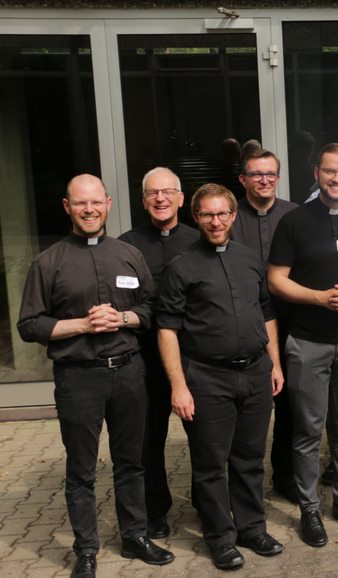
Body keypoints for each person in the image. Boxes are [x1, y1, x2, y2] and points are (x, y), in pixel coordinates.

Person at [18, 174, 173, 578]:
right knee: (82, 470)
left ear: (107, 203)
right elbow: (30, 325)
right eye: (80, 203)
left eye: (95, 202)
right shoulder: (47, 262)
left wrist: (123, 317)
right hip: (78, 378)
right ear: (67, 206)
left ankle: (135, 536)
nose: (89, 210)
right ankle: (86, 549)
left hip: (128, 374)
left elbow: (153, 309)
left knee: (132, 462)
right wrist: (81, 326)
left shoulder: (129, 254)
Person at [157, 184, 285, 570]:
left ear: (233, 216)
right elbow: (166, 329)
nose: (216, 221)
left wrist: (274, 363)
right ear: (196, 218)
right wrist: (178, 386)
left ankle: (251, 528)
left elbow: (266, 313)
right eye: (208, 215)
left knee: (249, 458)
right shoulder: (181, 267)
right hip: (207, 378)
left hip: (255, 373)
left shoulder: (249, 260)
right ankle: (220, 537)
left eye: (223, 214)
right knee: (211, 464)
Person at [268, 143, 338, 547]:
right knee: (308, 429)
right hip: (307, 342)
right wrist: (318, 297)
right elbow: (276, 279)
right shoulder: (293, 222)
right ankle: (309, 507)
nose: (337, 179)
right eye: (330, 172)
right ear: (316, 173)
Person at [118, 167, 199, 538]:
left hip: (195, 357)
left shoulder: (199, 241)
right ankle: (154, 510)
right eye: (153, 192)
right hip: (145, 359)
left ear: (182, 199)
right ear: (144, 200)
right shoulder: (126, 245)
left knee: (203, 438)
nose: (161, 198)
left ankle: (207, 503)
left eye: (168, 192)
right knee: (148, 440)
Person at [230, 148, 300, 503]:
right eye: (256, 174)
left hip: (288, 323)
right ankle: (241, 483)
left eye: (270, 174)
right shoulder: (228, 217)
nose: (264, 180)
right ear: (243, 180)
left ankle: (285, 476)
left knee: (289, 403)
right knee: (244, 410)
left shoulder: (295, 215)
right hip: (240, 324)